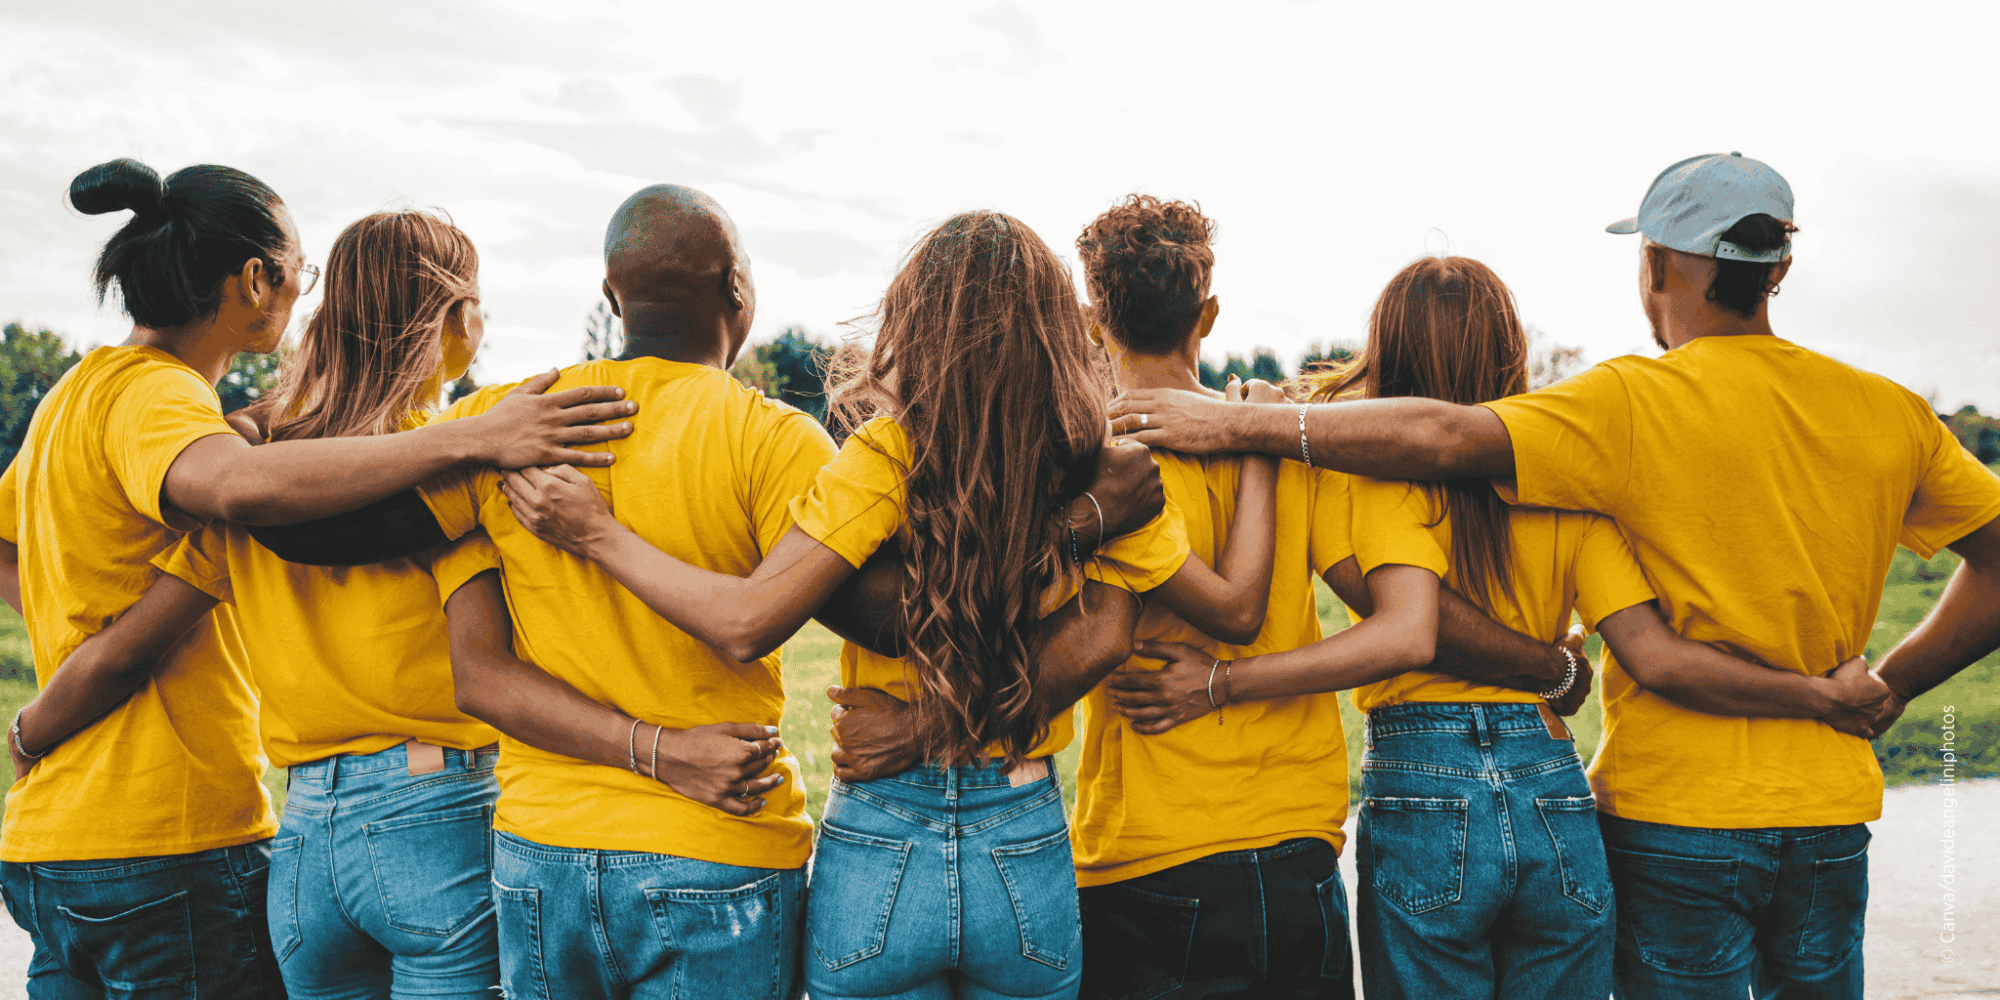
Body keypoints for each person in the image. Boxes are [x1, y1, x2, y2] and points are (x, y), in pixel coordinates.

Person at [1107, 153, 2000, 999]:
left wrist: (1248, 428)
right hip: (1809, 809)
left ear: (1658, 264)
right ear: (1778, 268)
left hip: (1666, 812)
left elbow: (1448, 452)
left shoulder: (1625, 406)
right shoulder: (1888, 410)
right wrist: (1884, 686)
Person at [496, 209, 1225, 1000]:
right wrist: (1077, 526)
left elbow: (751, 618)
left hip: (884, 829)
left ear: (914, 324)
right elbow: (1100, 641)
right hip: (1021, 823)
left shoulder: (886, 452)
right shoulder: (1111, 469)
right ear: (1058, 326)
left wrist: (598, 533)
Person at [0, 159, 634, 1000]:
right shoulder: (170, 411)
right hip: (185, 823)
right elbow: (234, 490)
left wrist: (64, 650)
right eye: (297, 271)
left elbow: (51, 565)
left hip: (116, 838)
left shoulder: (80, 401)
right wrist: (471, 437)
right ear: (255, 278)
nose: (303, 293)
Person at [1067, 196, 1597, 1000]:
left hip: (1150, 844)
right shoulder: (1291, 451)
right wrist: (1546, 668)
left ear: (1091, 317)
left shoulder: (1097, 467)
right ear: (1207, 316)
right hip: (1296, 844)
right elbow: (1407, 615)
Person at [49, 209, 515, 998]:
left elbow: (137, 635)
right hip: (434, 809)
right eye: (477, 301)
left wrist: (37, 726)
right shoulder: (456, 464)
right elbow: (489, 669)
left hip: (304, 837)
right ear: (454, 318)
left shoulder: (265, 479)